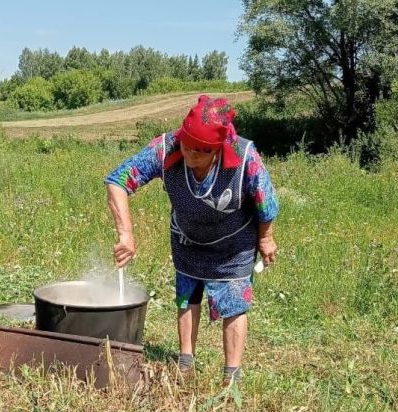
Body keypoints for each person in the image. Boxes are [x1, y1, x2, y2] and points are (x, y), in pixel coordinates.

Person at [105, 95, 278, 388]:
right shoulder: (166, 147)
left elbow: (266, 201)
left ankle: (231, 377)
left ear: (218, 148)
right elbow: (118, 180)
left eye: (201, 151)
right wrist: (126, 234)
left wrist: (266, 238)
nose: (191, 155)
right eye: (188, 145)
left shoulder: (244, 156)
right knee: (187, 295)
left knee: (234, 303)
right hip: (188, 239)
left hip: (233, 245)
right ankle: (185, 363)